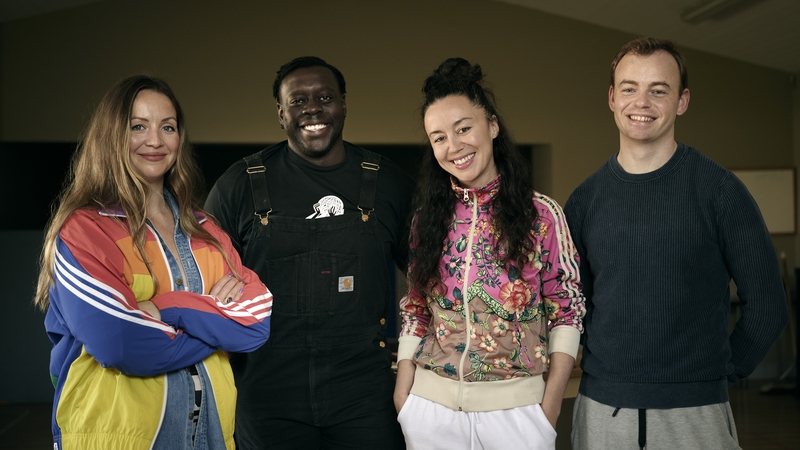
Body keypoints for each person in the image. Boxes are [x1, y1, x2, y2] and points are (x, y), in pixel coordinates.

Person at [565, 37, 790, 450]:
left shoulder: (721, 192)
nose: (642, 102)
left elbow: (769, 306)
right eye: (630, 88)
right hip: (602, 413)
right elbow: (570, 308)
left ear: (682, 101)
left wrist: (717, 373)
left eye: (659, 90)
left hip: (696, 416)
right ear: (613, 98)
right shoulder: (584, 200)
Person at [34, 75, 273, 450]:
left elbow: (256, 324)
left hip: (210, 437)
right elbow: (122, 344)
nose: (155, 141)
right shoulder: (85, 230)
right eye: (138, 127)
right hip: (117, 437)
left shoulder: (205, 229)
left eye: (168, 127)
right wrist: (215, 323)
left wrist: (168, 309)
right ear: (112, 136)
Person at [204, 56, 413, 449]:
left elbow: (430, 280)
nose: (312, 108)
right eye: (298, 101)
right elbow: (204, 283)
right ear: (280, 113)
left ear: (344, 104)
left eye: (324, 97)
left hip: (364, 394)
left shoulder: (388, 184)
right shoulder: (239, 185)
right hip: (267, 393)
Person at [393, 57, 585, 450]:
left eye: (464, 128)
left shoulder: (542, 215)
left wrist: (548, 407)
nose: (454, 146)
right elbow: (416, 306)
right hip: (431, 412)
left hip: (518, 415)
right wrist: (404, 394)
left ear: (492, 126)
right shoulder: (425, 221)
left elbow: (568, 308)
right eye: (440, 136)